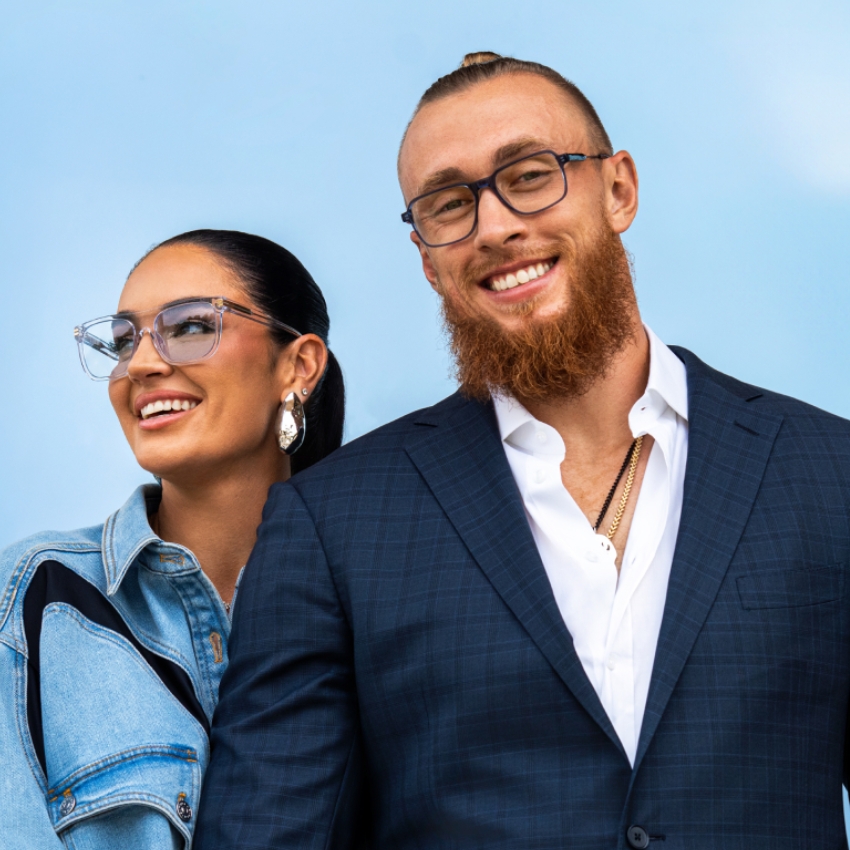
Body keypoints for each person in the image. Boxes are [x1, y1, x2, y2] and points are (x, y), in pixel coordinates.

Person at [196, 54, 850, 849]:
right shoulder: (331, 523)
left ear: (619, 190)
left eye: (531, 176)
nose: (496, 226)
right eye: (448, 204)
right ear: (428, 261)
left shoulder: (829, 472)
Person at [0, 229, 344, 849]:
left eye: (188, 327)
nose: (140, 364)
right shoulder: (34, 598)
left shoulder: (379, 595)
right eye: (124, 341)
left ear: (298, 366)